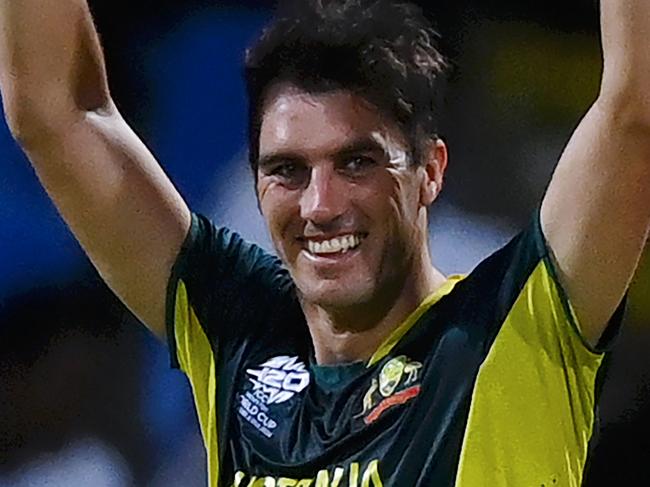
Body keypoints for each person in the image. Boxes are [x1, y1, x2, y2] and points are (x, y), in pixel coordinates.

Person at [1, 0, 648, 485]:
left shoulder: (511, 325)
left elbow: (633, 112)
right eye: (287, 170)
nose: (321, 206)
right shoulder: (238, 335)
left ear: (430, 170)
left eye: (358, 163)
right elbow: (55, 113)